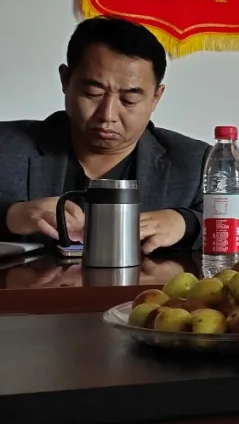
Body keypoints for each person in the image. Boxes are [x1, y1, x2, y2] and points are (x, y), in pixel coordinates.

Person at [0, 17, 209, 252]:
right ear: (65, 80)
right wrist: (9, 216)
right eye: (93, 93)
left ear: (155, 98)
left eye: (129, 100)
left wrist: (186, 223)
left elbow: (235, 230)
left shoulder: (195, 163)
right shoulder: (6, 147)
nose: (107, 115)